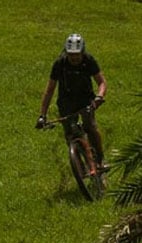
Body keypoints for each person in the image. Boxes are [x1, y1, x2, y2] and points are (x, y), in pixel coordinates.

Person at [35, 33, 108, 170]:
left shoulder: (89, 61)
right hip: (66, 101)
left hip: (86, 99)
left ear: (82, 52)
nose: (74, 57)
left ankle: (100, 159)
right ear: (66, 53)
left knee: (90, 126)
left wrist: (99, 97)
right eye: (71, 54)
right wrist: (42, 115)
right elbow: (50, 90)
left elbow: (101, 82)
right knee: (69, 133)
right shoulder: (59, 64)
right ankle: (79, 167)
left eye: (77, 54)